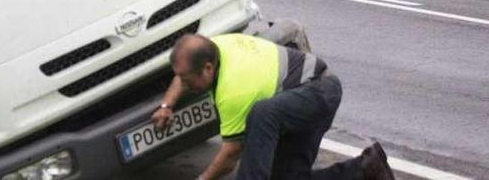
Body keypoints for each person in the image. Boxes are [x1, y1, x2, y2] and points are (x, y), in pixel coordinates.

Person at [152, 33, 395, 180]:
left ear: (207, 68)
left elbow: (230, 156)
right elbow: (182, 72)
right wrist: (167, 104)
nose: (183, 84)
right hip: (303, 95)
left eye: (187, 80)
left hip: (317, 91)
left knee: (262, 115)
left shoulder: (233, 91)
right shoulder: (211, 48)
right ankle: (365, 169)